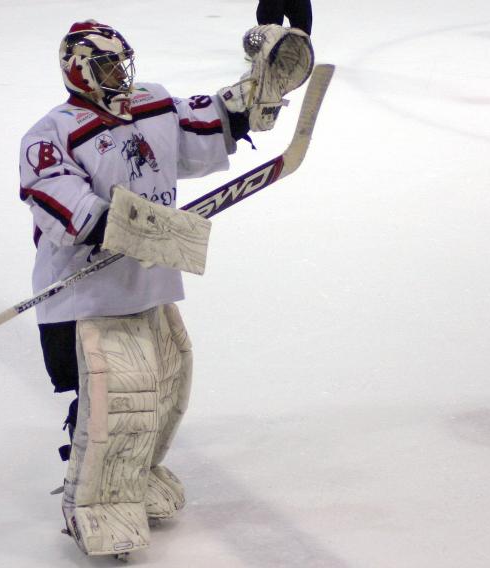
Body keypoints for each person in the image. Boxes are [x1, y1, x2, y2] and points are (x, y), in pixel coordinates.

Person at [19, 20, 312, 557]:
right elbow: (69, 211)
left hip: (150, 284)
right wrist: (144, 228)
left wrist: (251, 96)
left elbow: (208, 124)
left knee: (165, 390)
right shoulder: (50, 135)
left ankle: (133, 477)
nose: (120, 75)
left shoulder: (150, 103)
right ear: (78, 71)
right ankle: (95, 504)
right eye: (107, 66)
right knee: (117, 400)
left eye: (122, 62)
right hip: (87, 298)